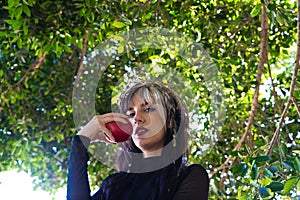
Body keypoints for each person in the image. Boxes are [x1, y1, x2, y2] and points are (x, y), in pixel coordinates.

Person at [67, 80, 209, 200]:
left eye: (147, 109)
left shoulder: (190, 176)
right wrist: (81, 141)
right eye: (131, 113)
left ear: (169, 120)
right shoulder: (112, 185)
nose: (136, 119)